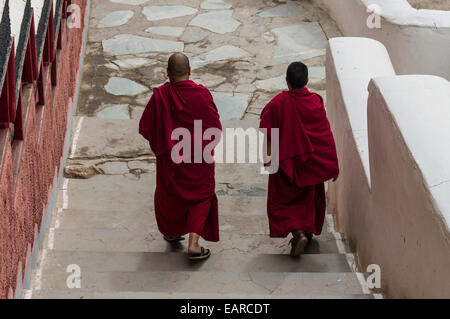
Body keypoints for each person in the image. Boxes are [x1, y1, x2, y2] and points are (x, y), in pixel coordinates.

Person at [139, 53, 222, 261]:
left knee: (171, 195)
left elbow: (146, 128)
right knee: (201, 196)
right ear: (190, 71)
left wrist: (165, 147)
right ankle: (194, 243)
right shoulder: (202, 95)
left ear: (167, 73)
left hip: (171, 160)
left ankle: (173, 232)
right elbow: (215, 127)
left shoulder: (160, 97)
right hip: (199, 158)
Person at [259, 61, 339, 257]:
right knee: (310, 197)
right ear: (307, 81)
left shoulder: (278, 103)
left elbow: (269, 133)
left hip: (287, 164)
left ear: (287, 82)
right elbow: (324, 134)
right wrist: (332, 163)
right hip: (311, 164)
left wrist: (268, 159)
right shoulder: (316, 102)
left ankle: (298, 232)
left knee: (282, 201)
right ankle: (306, 231)